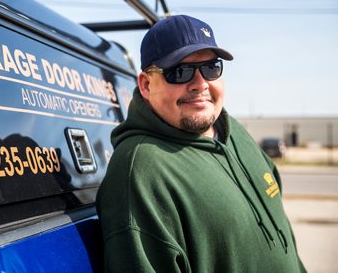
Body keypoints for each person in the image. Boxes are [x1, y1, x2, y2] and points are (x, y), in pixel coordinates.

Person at [96, 15, 306, 272]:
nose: (200, 84)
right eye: (180, 72)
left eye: (211, 68)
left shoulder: (234, 132)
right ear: (146, 84)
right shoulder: (140, 172)